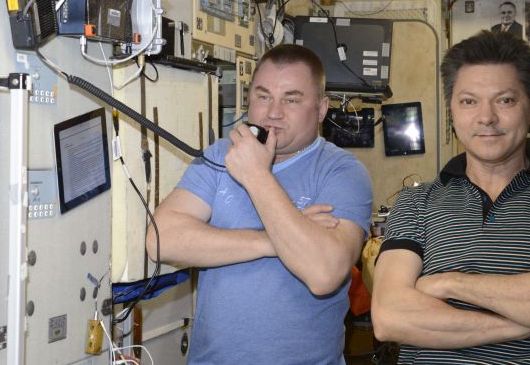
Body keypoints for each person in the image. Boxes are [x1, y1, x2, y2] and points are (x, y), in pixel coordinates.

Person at [371, 31, 530, 363]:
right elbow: (390, 317)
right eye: (469, 101)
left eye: (505, 100)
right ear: (451, 111)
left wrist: (448, 283)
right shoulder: (416, 204)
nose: (486, 117)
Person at [147, 44, 374, 364]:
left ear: (321, 109)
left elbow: (324, 273)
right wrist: (272, 241)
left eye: (291, 100)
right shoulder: (220, 156)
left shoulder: (342, 172)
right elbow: (161, 239)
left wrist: (256, 175)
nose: (274, 112)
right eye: (263, 96)